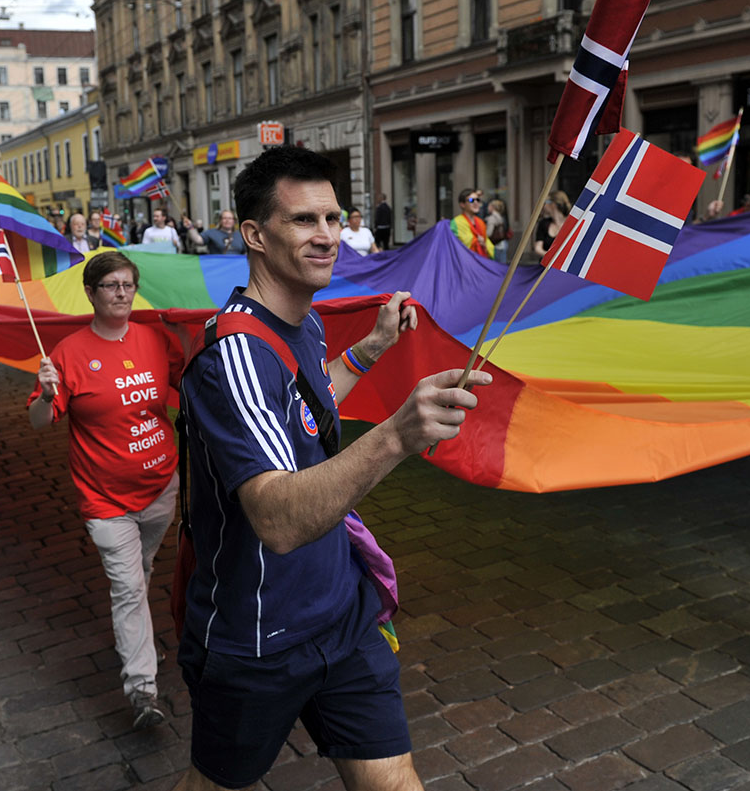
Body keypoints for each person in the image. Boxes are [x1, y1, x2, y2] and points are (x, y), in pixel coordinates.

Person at [174, 145, 491, 791]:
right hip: (259, 638)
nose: (327, 236)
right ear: (255, 235)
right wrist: (397, 434)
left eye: (333, 217)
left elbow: (307, 405)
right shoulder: (233, 356)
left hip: (343, 613)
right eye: (304, 221)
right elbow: (278, 519)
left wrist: (370, 349)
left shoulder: (305, 325)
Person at [27, 251, 182, 730]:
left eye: (127, 284)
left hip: (161, 487)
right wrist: (49, 394)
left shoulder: (156, 340)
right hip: (105, 500)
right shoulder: (68, 354)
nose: (121, 292)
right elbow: (39, 420)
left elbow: (194, 383)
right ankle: (143, 692)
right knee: (129, 587)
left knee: (143, 569)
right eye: (110, 285)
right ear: (91, 293)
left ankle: (136, 630)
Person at [450, 188, 494, 258]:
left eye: (478, 200)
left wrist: (484, 244)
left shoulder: (480, 222)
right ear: (462, 204)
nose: (476, 202)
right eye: (471, 200)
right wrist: (478, 241)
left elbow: (488, 244)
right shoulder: (456, 222)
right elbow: (459, 246)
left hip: (482, 262)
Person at [533, 190, 570, 258]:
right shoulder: (543, 223)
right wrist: (551, 257)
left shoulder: (571, 224)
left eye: (545, 202)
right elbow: (538, 248)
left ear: (554, 204)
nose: (543, 206)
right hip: (546, 264)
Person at [485, 198, 510, 265]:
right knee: (502, 265)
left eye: (489, 206)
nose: (487, 208)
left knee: (496, 266)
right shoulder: (502, 217)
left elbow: (489, 233)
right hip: (503, 243)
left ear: (493, 207)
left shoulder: (492, 218)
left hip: (495, 244)